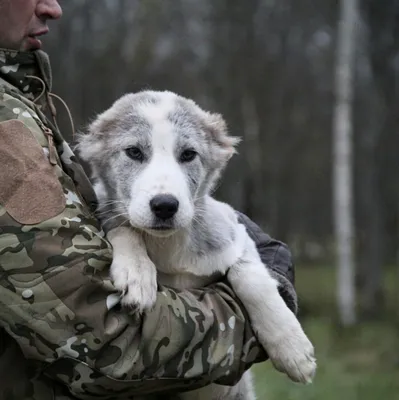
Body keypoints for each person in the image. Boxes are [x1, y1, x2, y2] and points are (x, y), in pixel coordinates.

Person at [0, 1, 298, 399]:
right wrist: (268, 299)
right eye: (135, 153)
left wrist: (249, 270)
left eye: (187, 155)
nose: (53, 7)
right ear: (96, 147)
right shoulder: (8, 125)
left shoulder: (25, 99)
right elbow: (104, 347)